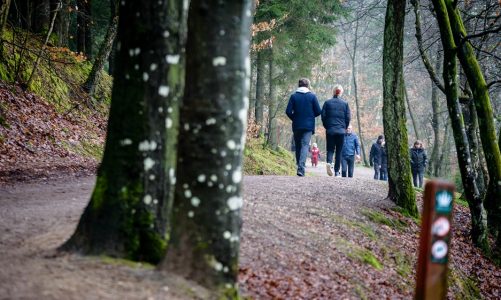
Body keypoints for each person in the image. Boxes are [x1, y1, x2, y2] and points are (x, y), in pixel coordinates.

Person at [286, 78, 321, 176]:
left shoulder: (293, 96)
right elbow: (318, 111)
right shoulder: (312, 96)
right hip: (308, 126)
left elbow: (288, 111)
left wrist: (294, 118)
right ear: (308, 86)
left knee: (298, 145)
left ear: (299, 85)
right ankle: (301, 168)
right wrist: (310, 116)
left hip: (297, 125)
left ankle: (299, 165)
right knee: (305, 145)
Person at [321, 84, 351, 177]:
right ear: (341, 92)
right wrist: (344, 128)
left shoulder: (327, 102)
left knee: (330, 149)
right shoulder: (345, 104)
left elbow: (323, 116)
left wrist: (327, 126)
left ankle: (329, 162)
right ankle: (337, 171)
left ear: (333, 91)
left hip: (330, 130)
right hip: (341, 131)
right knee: (339, 151)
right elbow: (348, 117)